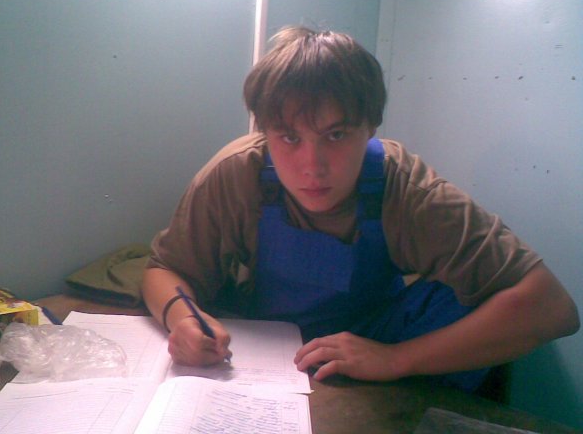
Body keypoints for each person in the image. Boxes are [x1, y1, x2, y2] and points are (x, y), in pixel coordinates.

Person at [142, 26, 579, 392]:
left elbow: (552, 307)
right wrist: (183, 320)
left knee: (467, 297)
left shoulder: (406, 189)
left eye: (336, 135)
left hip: (376, 337)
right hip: (263, 345)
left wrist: (395, 358)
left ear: (370, 126)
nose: (312, 166)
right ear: (264, 131)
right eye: (289, 137)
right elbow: (164, 268)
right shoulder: (237, 173)